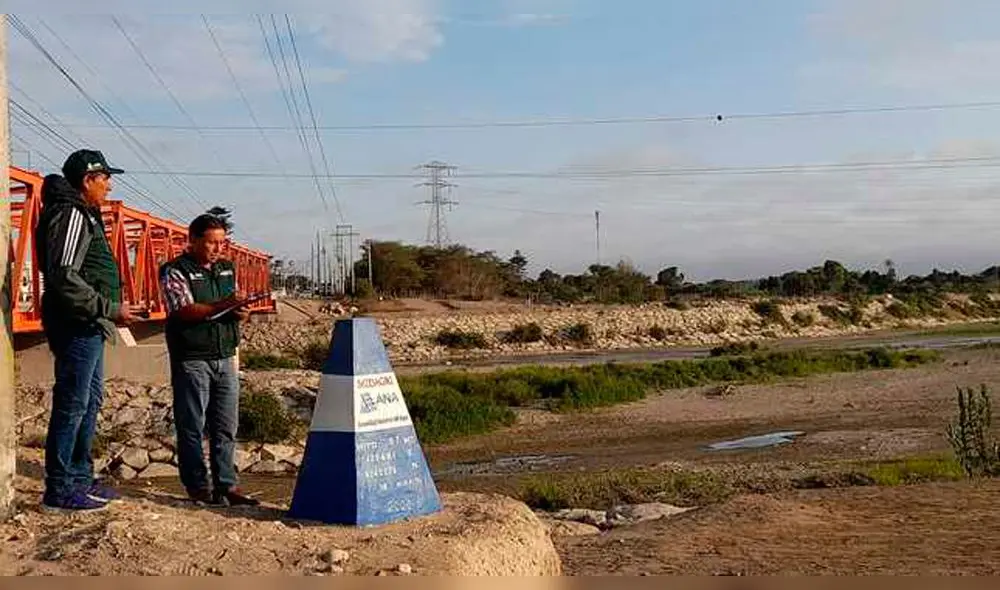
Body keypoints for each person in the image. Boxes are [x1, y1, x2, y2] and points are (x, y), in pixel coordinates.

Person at [35, 149, 139, 512]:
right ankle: (60, 490)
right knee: (73, 405)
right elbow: (64, 276)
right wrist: (109, 308)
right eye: (104, 178)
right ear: (87, 181)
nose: (109, 185)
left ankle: (79, 479)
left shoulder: (84, 214)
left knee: (89, 401)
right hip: (77, 325)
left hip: (89, 325)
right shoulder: (71, 214)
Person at [159, 208, 259, 506]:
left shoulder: (226, 268)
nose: (218, 249)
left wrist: (242, 312)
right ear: (192, 240)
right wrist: (225, 303)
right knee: (192, 425)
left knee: (226, 425)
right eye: (212, 242)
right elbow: (184, 310)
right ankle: (198, 488)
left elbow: (229, 306)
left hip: (224, 355)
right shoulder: (175, 270)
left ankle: (227, 485)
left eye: (222, 242)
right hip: (192, 358)